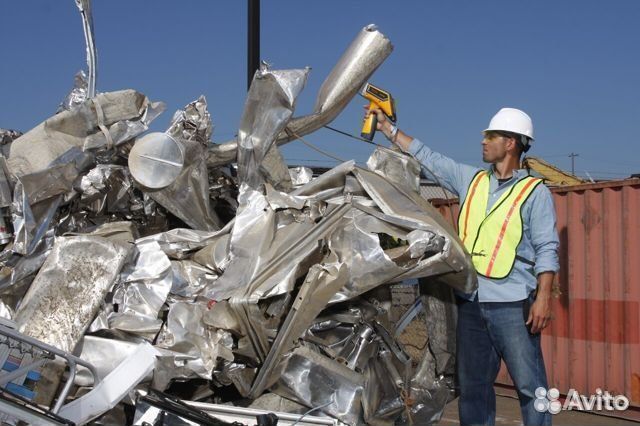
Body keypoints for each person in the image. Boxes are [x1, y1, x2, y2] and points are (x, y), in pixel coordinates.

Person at [368, 106, 559, 425]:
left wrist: (544, 297)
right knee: (474, 388)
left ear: (511, 142)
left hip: (513, 306)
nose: (483, 141)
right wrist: (389, 129)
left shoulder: (534, 193)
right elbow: (428, 157)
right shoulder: (472, 180)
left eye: (491, 136)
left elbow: (547, 247)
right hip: (471, 304)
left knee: (530, 388)